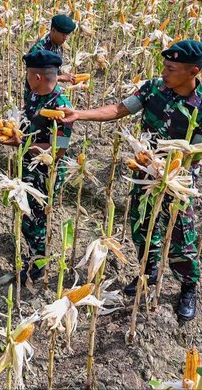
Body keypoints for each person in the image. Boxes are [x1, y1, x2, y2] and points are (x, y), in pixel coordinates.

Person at [58, 39, 202, 321]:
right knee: (142, 226)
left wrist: (168, 169)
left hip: (178, 177)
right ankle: (146, 276)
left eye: (171, 68)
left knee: (182, 235)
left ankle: (188, 286)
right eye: (164, 65)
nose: (164, 71)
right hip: (143, 173)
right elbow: (119, 109)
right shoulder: (152, 88)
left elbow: (196, 151)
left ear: (193, 71)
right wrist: (80, 114)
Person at [1, 50, 73, 284]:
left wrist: (22, 142)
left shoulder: (61, 106)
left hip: (46, 173)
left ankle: (38, 266)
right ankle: (33, 256)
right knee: (27, 217)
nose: (27, 79)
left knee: (36, 219)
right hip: (28, 167)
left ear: (38, 77)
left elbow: (59, 149)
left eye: (29, 74)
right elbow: (27, 124)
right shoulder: (34, 96)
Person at [24, 14, 77, 104]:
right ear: (53, 30)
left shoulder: (58, 47)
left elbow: (53, 70)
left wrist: (67, 76)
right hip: (37, 99)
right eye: (63, 34)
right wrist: (61, 78)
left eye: (67, 35)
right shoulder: (39, 51)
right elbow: (36, 79)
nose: (65, 38)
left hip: (50, 94)